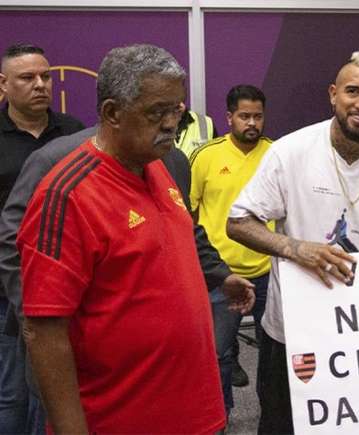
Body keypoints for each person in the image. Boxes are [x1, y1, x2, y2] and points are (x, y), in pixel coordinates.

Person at [16, 44, 225, 432]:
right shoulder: (66, 194)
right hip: (121, 419)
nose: (171, 123)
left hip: (194, 413)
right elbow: (43, 332)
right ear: (112, 113)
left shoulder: (160, 167)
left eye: (177, 109)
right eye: (156, 111)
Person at [226, 51, 359, 434]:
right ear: (333, 95)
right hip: (291, 332)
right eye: (352, 91)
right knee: (283, 425)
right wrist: (296, 249)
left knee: (353, 424)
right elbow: (238, 222)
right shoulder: (291, 151)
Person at [0, 43, 84, 434]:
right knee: (12, 392)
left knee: (56, 390)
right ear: (3, 85)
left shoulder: (75, 134)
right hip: (7, 289)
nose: (40, 85)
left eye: (45, 77)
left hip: (60, 286)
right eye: (27, 78)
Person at [189, 84, 273, 417]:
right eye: (244, 116)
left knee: (273, 353)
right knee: (219, 354)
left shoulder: (277, 154)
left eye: (258, 116)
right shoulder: (206, 156)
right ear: (229, 117)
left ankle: (273, 414)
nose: (252, 123)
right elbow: (188, 212)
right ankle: (220, 416)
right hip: (221, 275)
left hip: (269, 271)